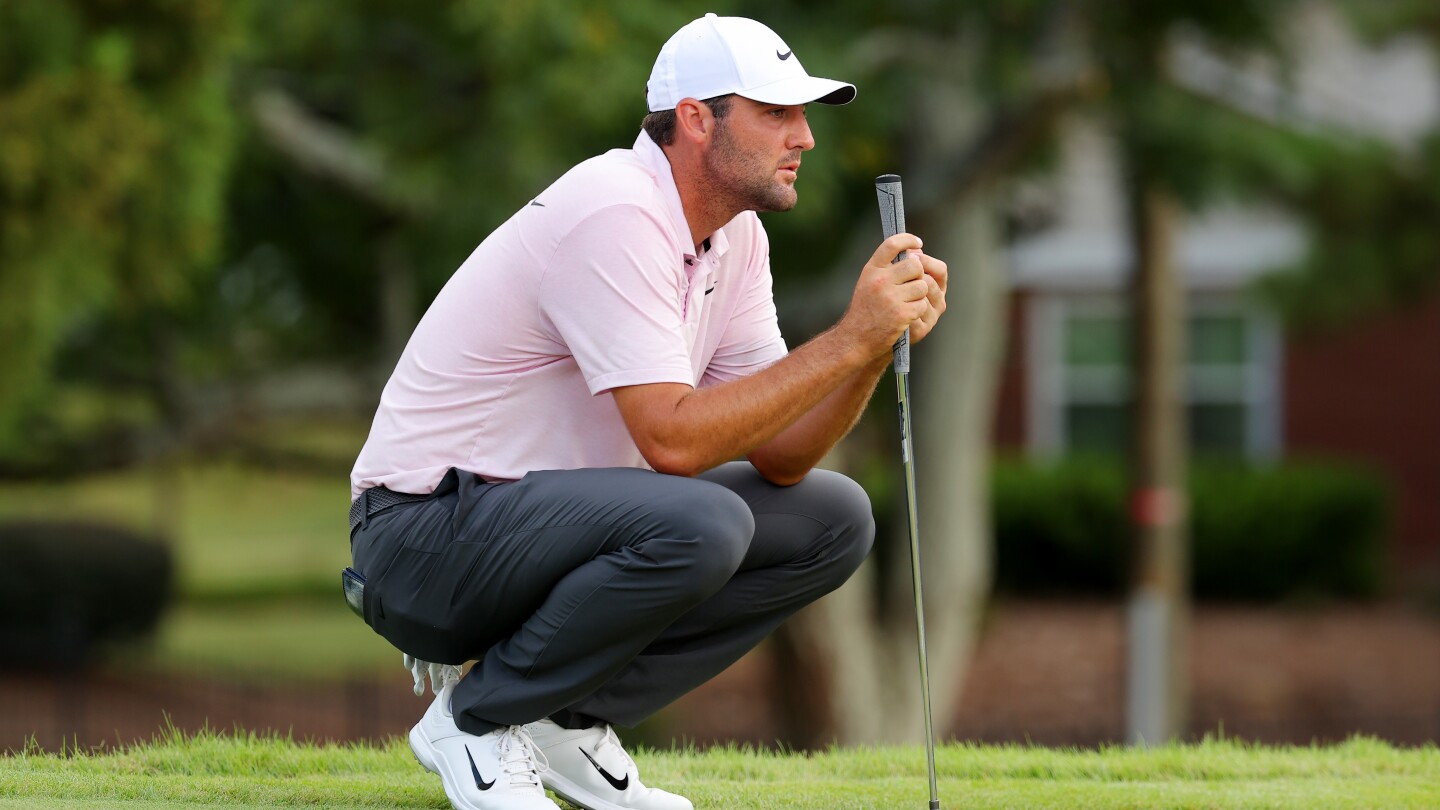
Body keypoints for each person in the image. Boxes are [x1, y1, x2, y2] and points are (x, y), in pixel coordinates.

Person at [347, 12, 947, 810]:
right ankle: (477, 720)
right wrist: (845, 341)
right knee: (700, 522)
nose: (803, 137)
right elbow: (671, 441)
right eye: (776, 114)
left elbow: (782, 456)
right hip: (421, 540)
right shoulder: (616, 209)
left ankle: (560, 717)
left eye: (804, 116)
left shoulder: (736, 240)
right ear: (697, 120)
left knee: (832, 518)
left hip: (530, 531)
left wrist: (872, 346)